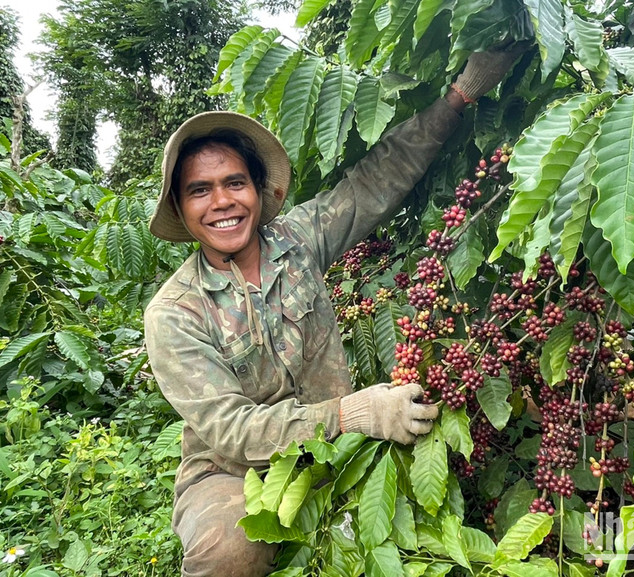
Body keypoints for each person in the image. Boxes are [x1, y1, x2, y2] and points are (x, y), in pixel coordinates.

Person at [144, 49, 515, 577]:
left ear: (257, 190)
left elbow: (373, 183)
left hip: (338, 451)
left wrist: (459, 98)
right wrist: (348, 415)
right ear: (182, 209)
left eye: (234, 183)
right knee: (231, 548)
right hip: (230, 471)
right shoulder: (175, 314)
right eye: (199, 191)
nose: (221, 202)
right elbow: (234, 432)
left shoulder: (298, 240)